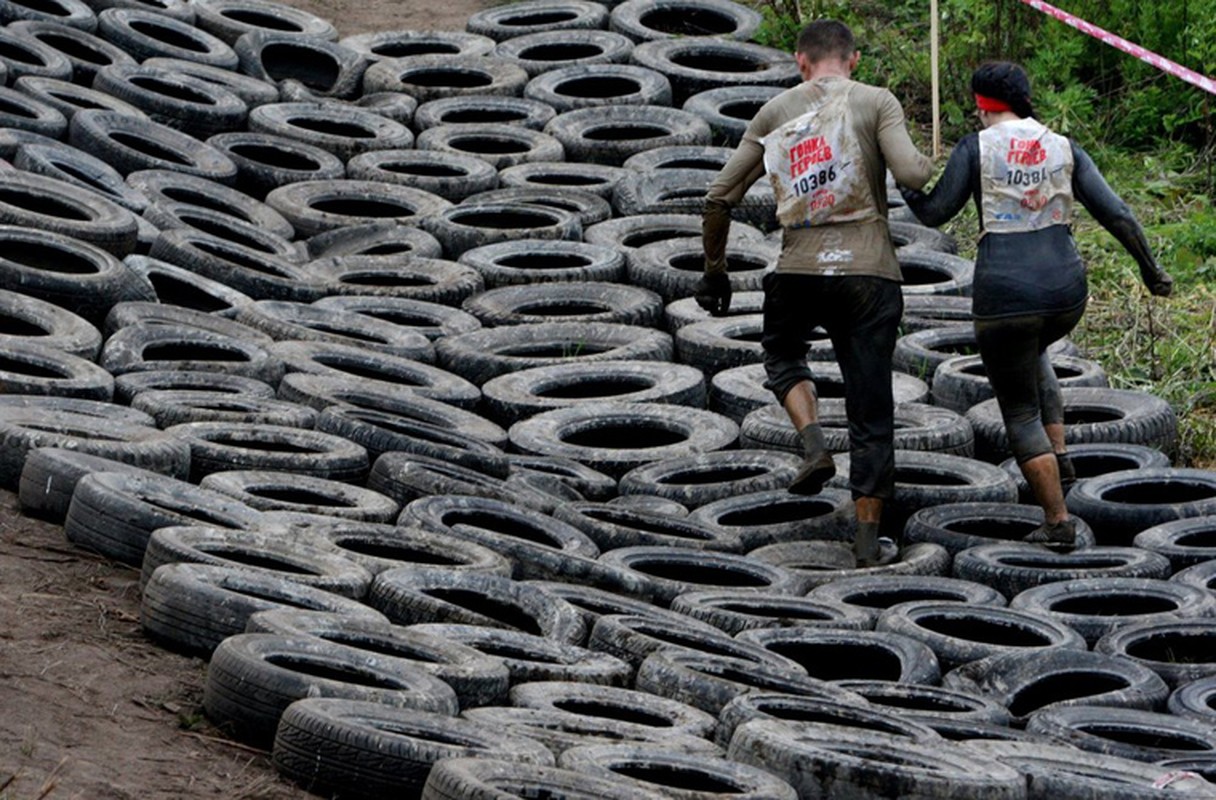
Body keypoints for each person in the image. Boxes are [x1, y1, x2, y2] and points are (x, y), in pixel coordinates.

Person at [898, 61, 1173, 548]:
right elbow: (1117, 212)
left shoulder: (976, 148)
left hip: (1006, 298)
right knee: (1037, 351)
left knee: (1019, 412)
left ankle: (1057, 521)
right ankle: (1060, 455)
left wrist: (907, 190)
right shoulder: (1064, 146)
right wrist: (1152, 270)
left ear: (981, 106)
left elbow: (937, 211)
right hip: (1067, 295)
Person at [694, 19, 935, 566]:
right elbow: (912, 174)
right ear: (853, 61)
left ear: (800, 61)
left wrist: (715, 270)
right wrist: (930, 159)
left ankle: (813, 444)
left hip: (798, 268)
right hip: (869, 274)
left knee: (783, 355)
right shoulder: (876, 101)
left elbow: (718, 197)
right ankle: (869, 542)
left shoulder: (776, 112)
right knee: (871, 406)